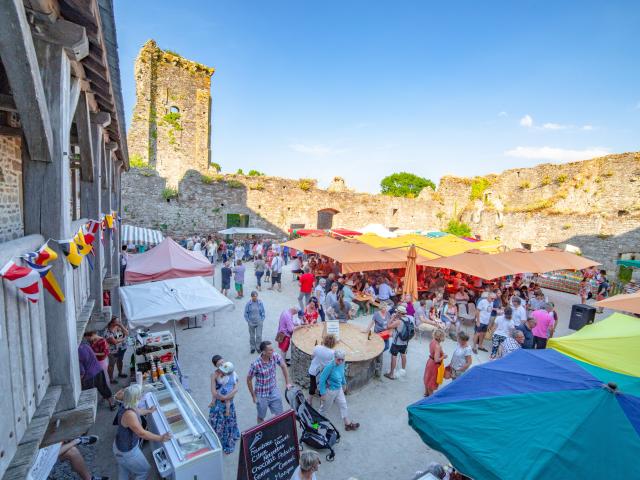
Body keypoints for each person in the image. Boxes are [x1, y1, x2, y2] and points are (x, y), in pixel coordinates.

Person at [113, 384, 171, 479]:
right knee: (144, 471)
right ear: (135, 397)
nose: (142, 396)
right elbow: (142, 433)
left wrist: (148, 411)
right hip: (127, 451)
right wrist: (161, 438)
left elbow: (138, 411)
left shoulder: (128, 403)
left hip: (119, 447)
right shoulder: (129, 415)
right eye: (140, 394)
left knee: (124, 471)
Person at [247, 341, 292, 423]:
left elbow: (283, 366)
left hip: (273, 390)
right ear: (264, 352)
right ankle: (261, 431)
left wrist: (287, 383)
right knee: (261, 417)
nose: (273, 351)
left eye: (272, 349)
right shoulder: (255, 364)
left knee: (280, 414)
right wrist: (253, 395)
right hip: (261, 395)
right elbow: (249, 379)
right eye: (270, 350)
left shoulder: (275, 356)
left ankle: (280, 430)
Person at [318, 350, 360, 431]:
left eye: (342, 359)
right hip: (330, 391)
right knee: (323, 409)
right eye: (338, 359)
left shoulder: (342, 364)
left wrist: (344, 384)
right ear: (335, 358)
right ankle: (314, 426)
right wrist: (322, 393)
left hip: (339, 389)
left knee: (343, 404)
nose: (340, 361)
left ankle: (347, 424)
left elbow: (342, 374)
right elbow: (322, 380)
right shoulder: (329, 366)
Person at [209, 356, 240, 454]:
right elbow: (213, 392)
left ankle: (228, 443)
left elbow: (236, 388)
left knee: (228, 423)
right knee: (219, 423)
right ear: (216, 366)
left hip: (228, 402)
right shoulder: (214, 375)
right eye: (219, 364)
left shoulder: (230, 371)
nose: (222, 365)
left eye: (223, 362)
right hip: (218, 405)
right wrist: (223, 398)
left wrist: (226, 397)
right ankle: (218, 443)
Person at [78, 341, 115, 410]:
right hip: (98, 370)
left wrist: (79, 383)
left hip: (88, 377)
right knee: (103, 387)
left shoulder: (76, 354)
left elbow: (82, 372)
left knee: (87, 395)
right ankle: (112, 404)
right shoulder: (86, 345)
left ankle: (89, 409)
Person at [384, 305, 412, 380]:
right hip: (405, 342)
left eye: (397, 312)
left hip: (397, 342)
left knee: (394, 356)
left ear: (399, 313)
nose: (396, 312)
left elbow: (388, 326)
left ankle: (391, 374)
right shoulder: (408, 319)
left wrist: (392, 318)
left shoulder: (398, 321)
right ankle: (403, 370)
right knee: (403, 354)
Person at [308, 334, 337, 405]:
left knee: (312, 385)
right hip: (323, 373)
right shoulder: (333, 353)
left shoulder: (317, 347)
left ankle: (309, 401)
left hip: (313, 371)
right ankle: (322, 405)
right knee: (322, 389)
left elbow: (312, 357)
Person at [104, 317, 128, 384]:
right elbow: (114, 342)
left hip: (122, 347)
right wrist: (123, 339)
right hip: (113, 351)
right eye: (117, 321)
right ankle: (111, 379)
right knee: (112, 364)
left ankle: (120, 373)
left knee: (120, 360)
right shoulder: (108, 331)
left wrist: (121, 326)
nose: (118, 322)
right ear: (112, 323)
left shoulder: (118, 327)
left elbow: (126, 333)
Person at [423, 329, 447, 397]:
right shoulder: (437, 346)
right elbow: (436, 360)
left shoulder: (432, 341)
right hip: (434, 364)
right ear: (440, 337)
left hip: (430, 361)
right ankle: (430, 397)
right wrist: (443, 357)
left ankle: (426, 393)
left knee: (427, 377)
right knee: (432, 380)